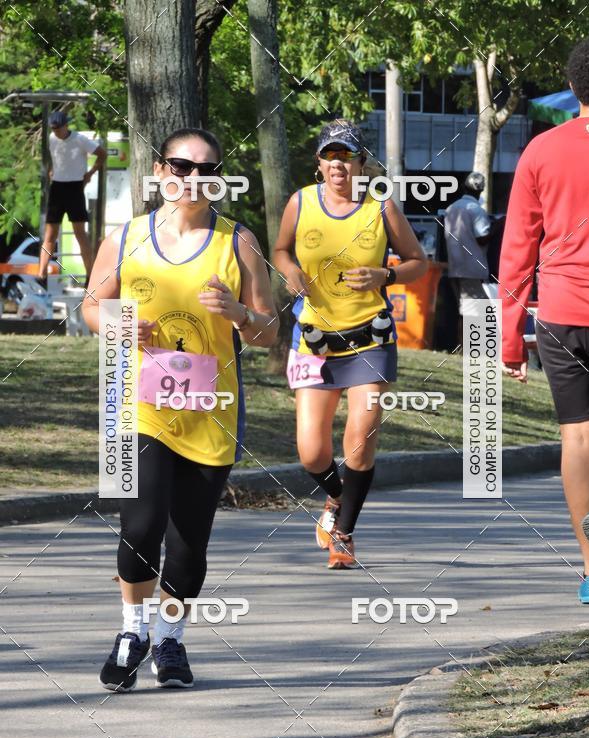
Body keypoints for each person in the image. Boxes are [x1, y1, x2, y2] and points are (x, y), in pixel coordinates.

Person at [82, 127, 278, 690]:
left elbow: (269, 330)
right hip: (136, 407)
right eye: (181, 167)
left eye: (206, 171)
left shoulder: (238, 241)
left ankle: (170, 640)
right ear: (160, 170)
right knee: (140, 525)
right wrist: (122, 322)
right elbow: (92, 308)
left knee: (188, 545)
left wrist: (239, 311)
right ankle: (131, 632)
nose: (192, 180)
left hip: (209, 409)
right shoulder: (126, 237)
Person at [273, 120, 426, 569]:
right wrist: (289, 271)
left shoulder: (381, 206)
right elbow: (281, 249)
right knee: (311, 452)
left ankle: (344, 535)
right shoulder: (300, 202)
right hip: (314, 340)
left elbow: (418, 261)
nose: (339, 165)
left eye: (347, 156)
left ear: (362, 163)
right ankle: (338, 497)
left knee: (360, 440)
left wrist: (387, 274)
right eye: (330, 156)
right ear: (319, 163)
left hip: (370, 338)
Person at [500, 35, 589, 605]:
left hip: (562, 313)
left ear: (571, 88)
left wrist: (510, 340)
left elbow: (517, 251)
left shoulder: (540, 151)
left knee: (580, 438)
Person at [38, 111, 106, 283]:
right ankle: (41, 274)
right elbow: (52, 160)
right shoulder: (52, 139)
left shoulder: (80, 139)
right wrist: (52, 170)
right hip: (57, 187)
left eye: (58, 129)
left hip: (75, 187)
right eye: (53, 129)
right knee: (50, 234)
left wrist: (90, 174)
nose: (56, 132)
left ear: (66, 125)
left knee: (80, 233)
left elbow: (102, 154)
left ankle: (90, 276)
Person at [444, 172, 493, 317]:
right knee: (477, 316)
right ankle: (475, 341)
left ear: (464, 188)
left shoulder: (451, 209)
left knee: (464, 313)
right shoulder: (476, 209)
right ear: (480, 191)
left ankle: (464, 340)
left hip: (455, 268)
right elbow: (482, 238)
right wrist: (497, 227)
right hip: (473, 270)